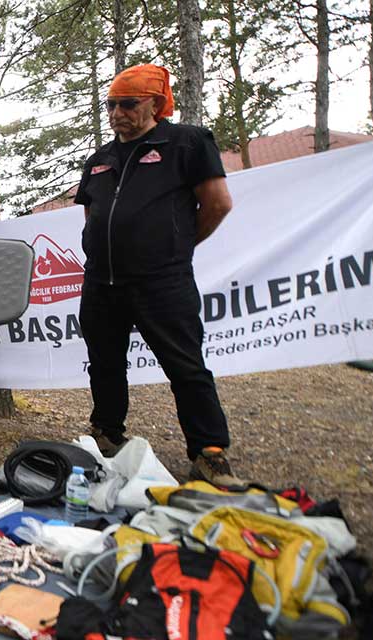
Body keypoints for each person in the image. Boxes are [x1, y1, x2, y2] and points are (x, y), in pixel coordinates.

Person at [72, 64, 242, 488]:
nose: (116, 113)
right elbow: (93, 215)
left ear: (155, 102)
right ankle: (107, 433)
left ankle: (209, 453)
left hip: (161, 282)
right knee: (105, 364)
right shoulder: (100, 159)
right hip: (102, 282)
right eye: (110, 104)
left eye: (127, 104)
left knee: (185, 366)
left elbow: (218, 204)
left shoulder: (186, 142)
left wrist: (176, 248)